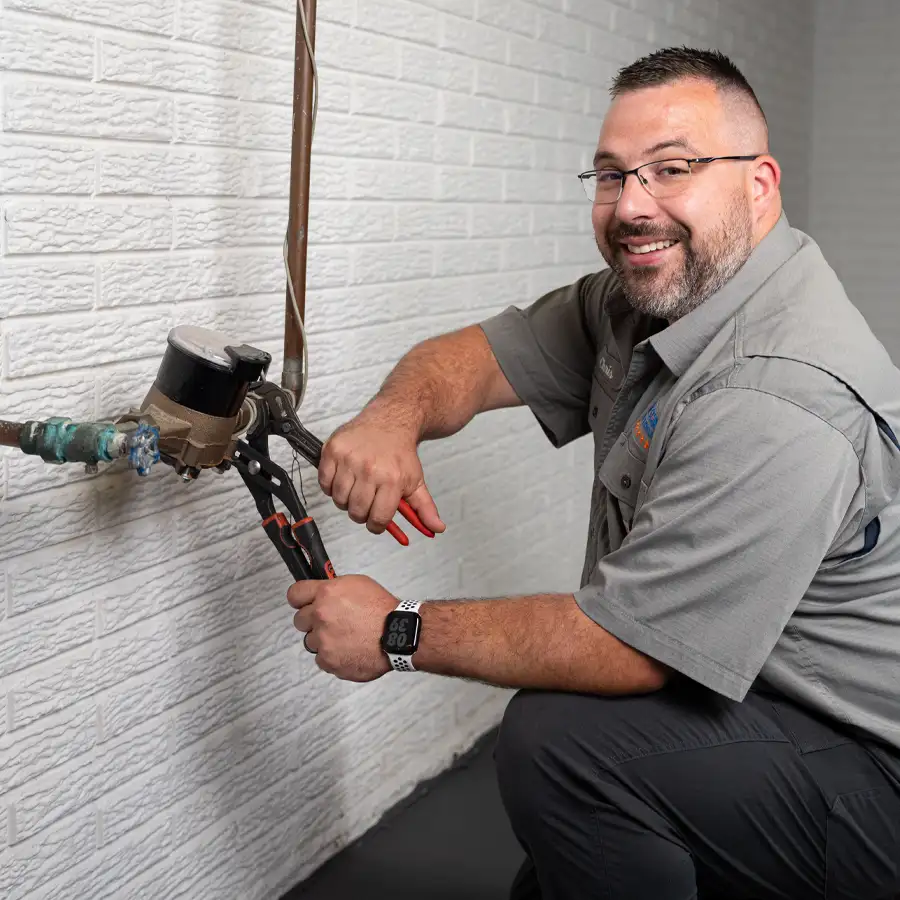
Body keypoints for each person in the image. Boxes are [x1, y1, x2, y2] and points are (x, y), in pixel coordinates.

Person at [287, 47, 900, 899]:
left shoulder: (780, 392)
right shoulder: (655, 295)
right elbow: (476, 358)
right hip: (757, 702)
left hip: (870, 774)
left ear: (759, 185)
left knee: (563, 747)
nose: (632, 207)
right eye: (611, 177)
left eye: (671, 170)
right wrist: (394, 419)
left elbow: (631, 644)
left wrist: (396, 631)